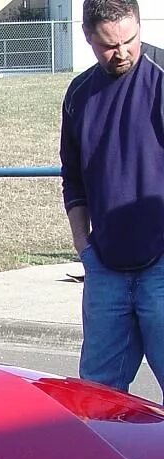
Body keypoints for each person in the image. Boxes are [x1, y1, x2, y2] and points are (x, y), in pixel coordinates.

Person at [60, 0, 164, 393]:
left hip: (161, 267)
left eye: (130, 40)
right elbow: (73, 177)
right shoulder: (79, 95)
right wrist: (83, 243)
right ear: (88, 37)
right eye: (109, 45)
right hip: (105, 268)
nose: (122, 52)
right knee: (96, 399)